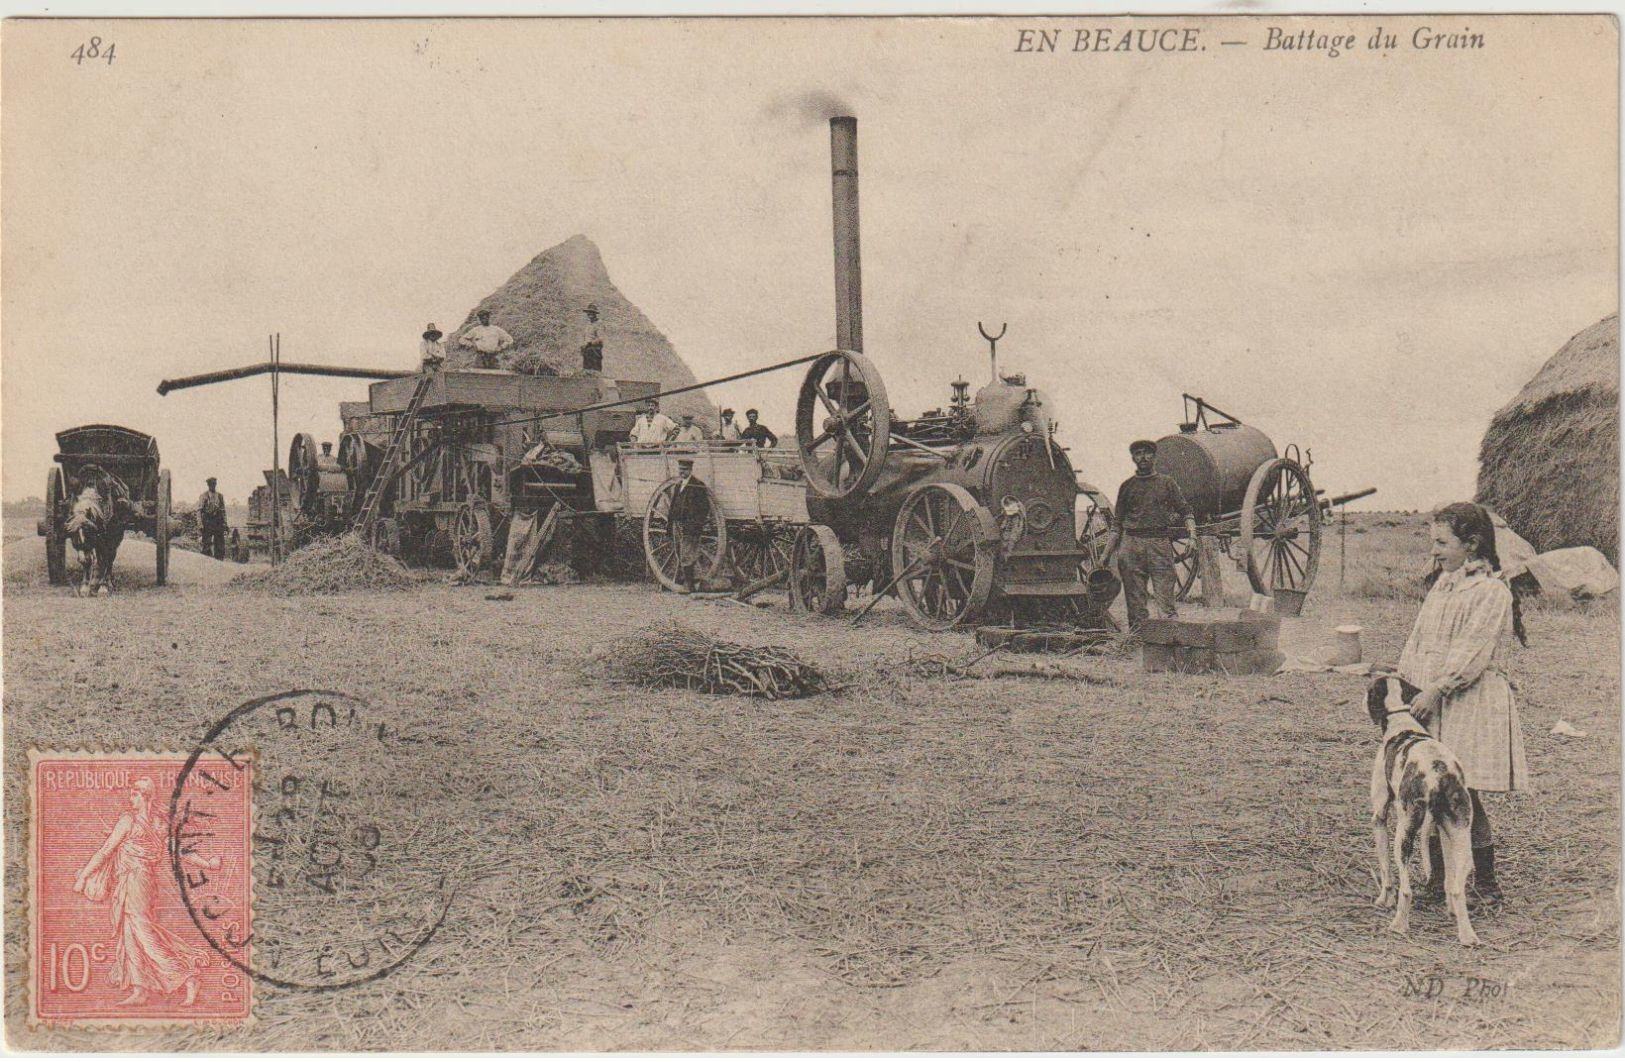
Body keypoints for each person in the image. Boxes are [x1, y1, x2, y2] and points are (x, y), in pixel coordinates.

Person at [1399, 501, 1529, 906]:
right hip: (1433, 699)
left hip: (1468, 701)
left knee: (1463, 792)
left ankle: (1486, 885)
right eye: (1431, 542)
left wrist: (1437, 688)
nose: (1434, 552)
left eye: (1442, 542)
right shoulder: (1445, 585)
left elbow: (1471, 655)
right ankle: (1439, 882)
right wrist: (1406, 683)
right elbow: (1421, 639)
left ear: (1471, 544)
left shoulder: (1491, 592)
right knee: (1433, 785)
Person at [72, 778, 219, 1006]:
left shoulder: (130, 821)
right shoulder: (157, 823)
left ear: (145, 796)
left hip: (135, 882)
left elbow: (106, 851)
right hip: (139, 883)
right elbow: (179, 849)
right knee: (130, 933)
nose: (130, 798)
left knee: (142, 932)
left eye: (134, 794)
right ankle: (140, 989)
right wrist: (206, 863)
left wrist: (83, 876)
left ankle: (186, 976)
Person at [1100, 440, 1196, 630]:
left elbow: (1186, 511)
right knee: (1135, 606)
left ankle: (1169, 642)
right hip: (1131, 546)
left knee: (1165, 603)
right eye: (1138, 453)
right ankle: (1139, 643)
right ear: (1133, 458)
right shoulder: (1127, 487)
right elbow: (1116, 525)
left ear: (1154, 456)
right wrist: (1104, 556)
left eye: (1147, 453)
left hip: (1159, 544)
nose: (1143, 457)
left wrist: (1192, 536)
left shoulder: (1167, 483)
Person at [669, 459, 711, 591]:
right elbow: (672, 506)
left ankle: (690, 586)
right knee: (680, 552)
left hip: (690, 526)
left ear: (690, 470)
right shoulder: (678, 486)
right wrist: (670, 524)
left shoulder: (698, 486)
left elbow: (705, 507)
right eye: (680, 469)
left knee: (687, 554)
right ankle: (688, 581)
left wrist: (695, 524)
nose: (682, 472)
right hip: (677, 524)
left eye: (685, 470)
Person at [197, 477, 227, 561]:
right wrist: (200, 524)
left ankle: (219, 561)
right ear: (208, 485)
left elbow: (223, 511)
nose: (213, 486)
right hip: (207, 521)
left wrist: (225, 523)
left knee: (220, 543)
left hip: (218, 521)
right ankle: (206, 561)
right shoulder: (204, 496)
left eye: (214, 484)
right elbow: (199, 511)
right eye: (211, 484)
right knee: (206, 543)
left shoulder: (220, 496)